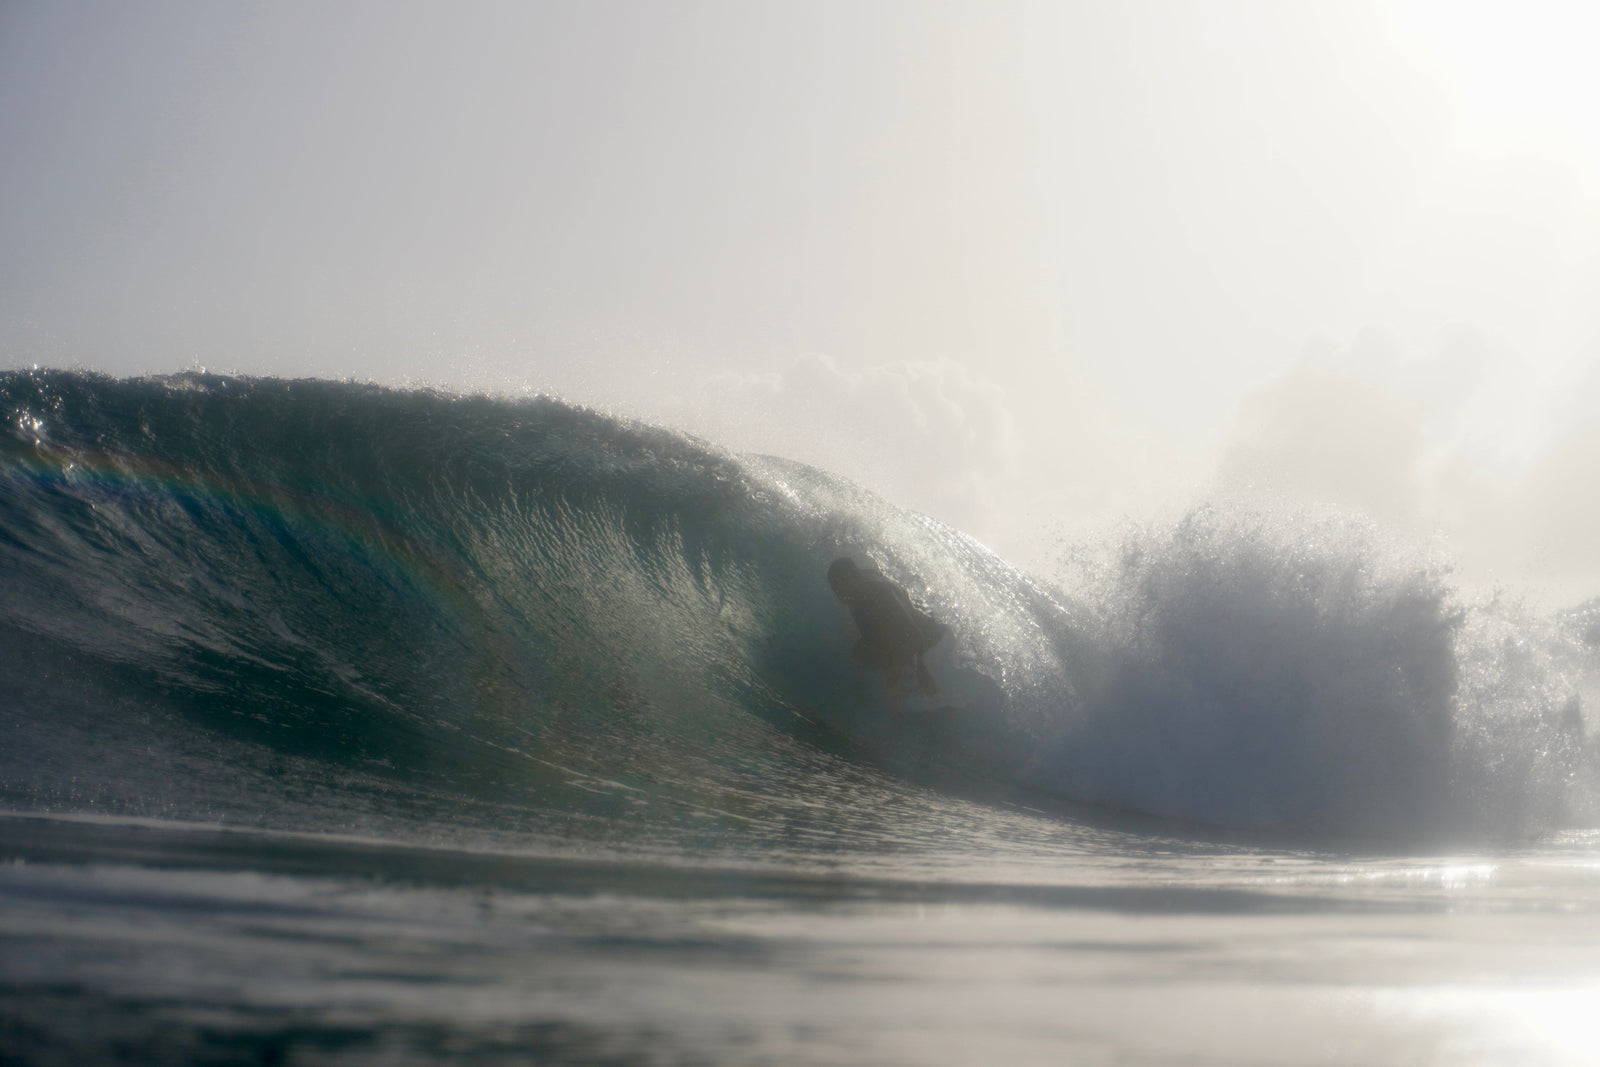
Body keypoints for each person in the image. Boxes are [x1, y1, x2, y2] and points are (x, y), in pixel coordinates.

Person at [827, 557, 946, 703]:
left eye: (838, 586)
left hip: (930, 634)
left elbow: (913, 632)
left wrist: (922, 669)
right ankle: (900, 691)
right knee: (864, 651)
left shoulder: (871, 594)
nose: (837, 593)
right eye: (834, 588)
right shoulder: (860, 588)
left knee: (886, 654)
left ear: (851, 578)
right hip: (919, 631)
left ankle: (922, 698)